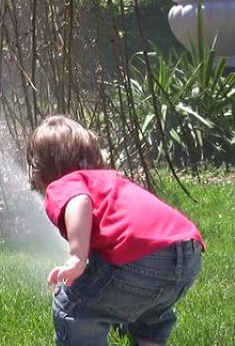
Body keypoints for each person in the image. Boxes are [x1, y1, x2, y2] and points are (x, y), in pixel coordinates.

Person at [26, 115, 204, 346]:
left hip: (141, 260)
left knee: (74, 304)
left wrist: (77, 257)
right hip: (187, 254)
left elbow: (78, 200)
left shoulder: (65, 184)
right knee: (148, 315)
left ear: (40, 170)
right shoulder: (109, 179)